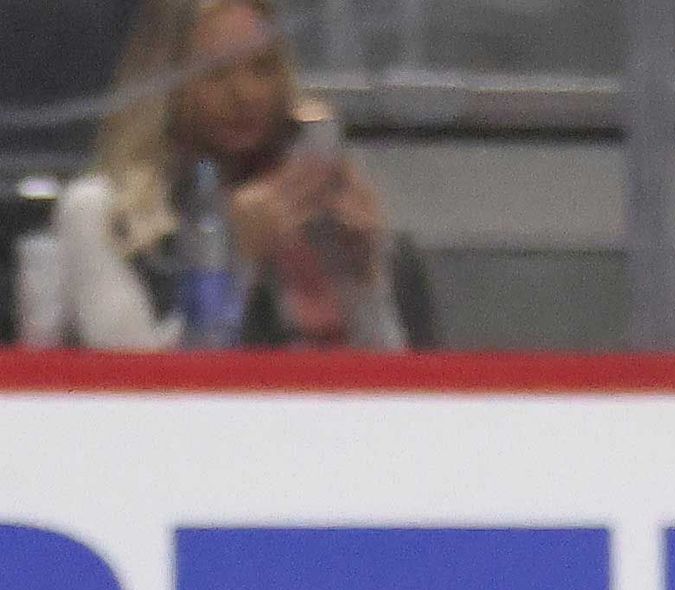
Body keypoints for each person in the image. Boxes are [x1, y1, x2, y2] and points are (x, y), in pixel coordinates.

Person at [19, 0, 427, 352]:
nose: (245, 94)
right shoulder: (99, 213)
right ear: (165, 82)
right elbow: (143, 394)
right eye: (216, 72)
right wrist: (236, 263)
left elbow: (404, 401)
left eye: (262, 69)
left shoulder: (313, 204)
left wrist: (363, 282)